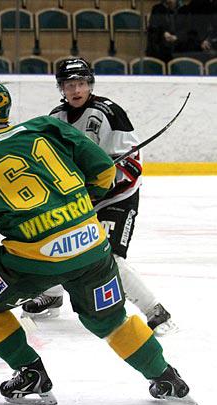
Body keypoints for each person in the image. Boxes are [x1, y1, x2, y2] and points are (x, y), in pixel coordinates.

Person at [0, 80, 191, 403]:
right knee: (111, 319)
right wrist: (74, 210)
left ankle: (30, 372)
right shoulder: (46, 125)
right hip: (94, 248)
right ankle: (165, 376)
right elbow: (105, 171)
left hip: (34, 263)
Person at [21, 58, 177, 337]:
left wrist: (96, 189)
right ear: (62, 88)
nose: (76, 89)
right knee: (54, 241)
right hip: (80, 200)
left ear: (89, 85)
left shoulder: (109, 113)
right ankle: (53, 294)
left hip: (117, 198)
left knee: (109, 257)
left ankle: (155, 311)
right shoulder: (55, 117)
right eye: (70, 85)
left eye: (81, 83)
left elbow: (131, 169)